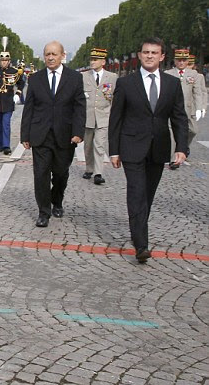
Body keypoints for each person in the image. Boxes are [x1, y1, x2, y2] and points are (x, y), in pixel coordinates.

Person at [109, 37, 188, 263]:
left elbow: (179, 118)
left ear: (162, 56)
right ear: (140, 55)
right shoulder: (126, 83)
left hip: (158, 148)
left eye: (154, 52)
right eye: (146, 52)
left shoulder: (173, 85)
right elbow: (116, 118)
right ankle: (141, 244)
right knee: (136, 192)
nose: (150, 56)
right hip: (132, 147)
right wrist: (114, 151)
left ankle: (138, 231)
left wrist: (182, 148)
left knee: (147, 196)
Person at [20, 41, 86, 227]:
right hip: (41, 135)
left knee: (60, 172)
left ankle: (57, 201)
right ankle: (44, 211)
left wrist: (78, 132)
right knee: (40, 173)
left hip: (65, 135)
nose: (50, 57)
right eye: (47, 54)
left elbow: (80, 108)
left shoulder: (74, 78)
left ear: (62, 55)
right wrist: (25, 135)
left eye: (54, 54)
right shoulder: (35, 79)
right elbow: (29, 108)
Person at [81, 48, 118, 185]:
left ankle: (98, 173)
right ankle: (89, 168)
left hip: (104, 116)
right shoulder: (84, 76)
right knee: (88, 145)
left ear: (103, 61)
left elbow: (114, 97)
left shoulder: (112, 77)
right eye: (91, 59)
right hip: (88, 116)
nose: (92, 62)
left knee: (99, 145)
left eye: (95, 60)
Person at [165, 48, 207, 167]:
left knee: (193, 130)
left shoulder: (193, 74)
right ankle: (174, 158)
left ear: (187, 61)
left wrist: (200, 107)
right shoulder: (168, 73)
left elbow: (197, 92)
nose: (181, 63)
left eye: (184, 60)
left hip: (188, 108)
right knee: (172, 132)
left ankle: (184, 147)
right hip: (171, 109)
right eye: (179, 60)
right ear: (175, 61)